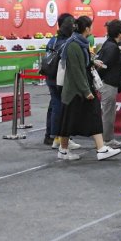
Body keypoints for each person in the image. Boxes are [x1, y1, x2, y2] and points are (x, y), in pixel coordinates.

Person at [57, 16, 121, 161]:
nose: (92, 29)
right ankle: (64, 150)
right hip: (75, 91)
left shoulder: (81, 43)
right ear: (86, 28)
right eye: (90, 26)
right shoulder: (73, 45)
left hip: (82, 88)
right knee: (68, 121)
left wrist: (93, 61)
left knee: (93, 116)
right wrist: (86, 91)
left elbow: (82, 63)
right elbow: (76, 71)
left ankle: (101, 149)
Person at [95, 19, 121, 150]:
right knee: (108, 113)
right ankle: (106, 140)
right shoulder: (112, 48)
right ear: (119, 33)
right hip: (108, 84)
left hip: (108, 83)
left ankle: (108, 138)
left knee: (109, 112)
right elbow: (103, 66)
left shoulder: (109, 45)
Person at [45, 14, 75, 147]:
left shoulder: (52, 40)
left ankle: (50, 135)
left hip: (49, 75)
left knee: (53, 105)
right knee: (60, 106)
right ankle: (57, 137)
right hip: (60, 77)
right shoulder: (68, 42)